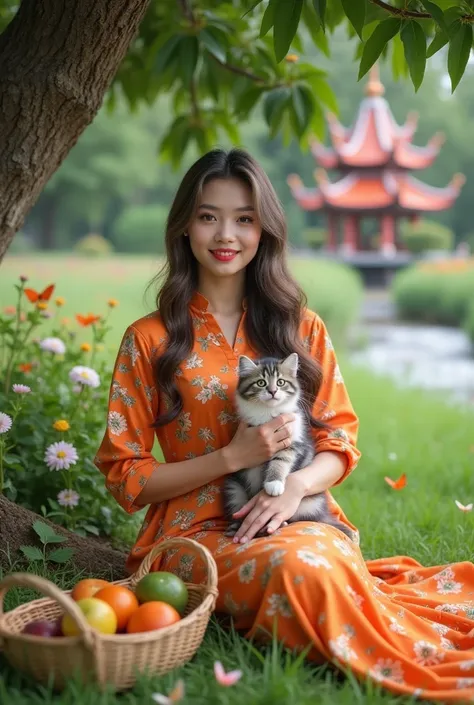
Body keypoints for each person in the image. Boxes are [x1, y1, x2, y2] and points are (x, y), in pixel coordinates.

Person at [95, 148, 474, 701]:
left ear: (264, 228)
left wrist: (295, 485)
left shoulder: (301, 327)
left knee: (314, 553)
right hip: (196, 536)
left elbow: (339, 439)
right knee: (302, 568)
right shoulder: (149, 339)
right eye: (208, 215)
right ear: (183, 226)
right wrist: (230, 458)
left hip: (303, 511)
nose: (226, 233)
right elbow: (125, 477)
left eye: (244, 218)